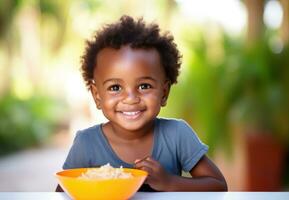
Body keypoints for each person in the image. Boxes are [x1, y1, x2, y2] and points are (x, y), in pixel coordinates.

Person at [57, 15, 227, 192]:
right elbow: (62, 194)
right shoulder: (87, 143)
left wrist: (169, 182)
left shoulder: (177, 135)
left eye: (144, 86)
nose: (130, 98)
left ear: (164, 92)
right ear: (97, 96)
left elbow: (218, 186)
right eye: (115, 87)